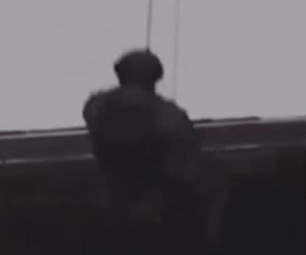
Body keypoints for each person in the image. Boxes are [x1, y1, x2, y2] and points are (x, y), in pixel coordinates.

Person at [83, 49, 215, 254]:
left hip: (110, 207)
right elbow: (186, 168)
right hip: (156, 213)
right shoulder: (169, 116)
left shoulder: (96, 107)